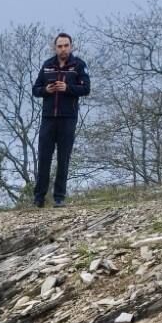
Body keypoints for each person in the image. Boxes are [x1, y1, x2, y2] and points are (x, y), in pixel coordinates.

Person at [32, 33, 91, 209]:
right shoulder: (47, 65)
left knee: (63, 158)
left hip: (68, 118)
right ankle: (39, 198)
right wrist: (46, 90)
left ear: (71, 46)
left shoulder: (79, 65)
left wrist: (67, 88)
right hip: (48, 118)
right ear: (55, 47)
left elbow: (86, 88)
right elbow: (35, 89)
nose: (63, 49)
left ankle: (59, 198)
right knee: (43, 158)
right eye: (60, 46)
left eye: (66, 45)